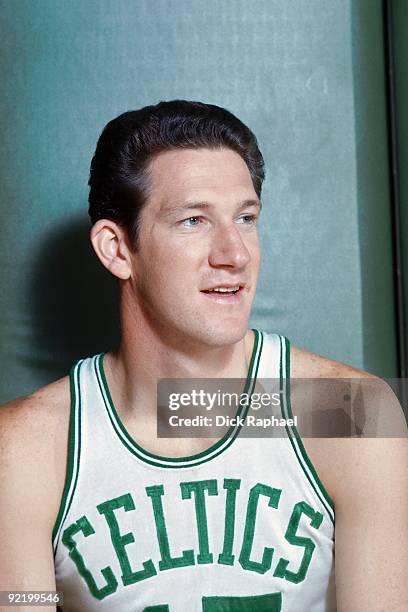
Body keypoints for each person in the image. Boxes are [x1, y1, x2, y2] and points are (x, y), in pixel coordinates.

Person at [0, 100, 407, 612]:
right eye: (194, 220)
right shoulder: (27, 449)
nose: (234, 254)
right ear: (117, 249)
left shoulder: (347, 414)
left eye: (246, 217)